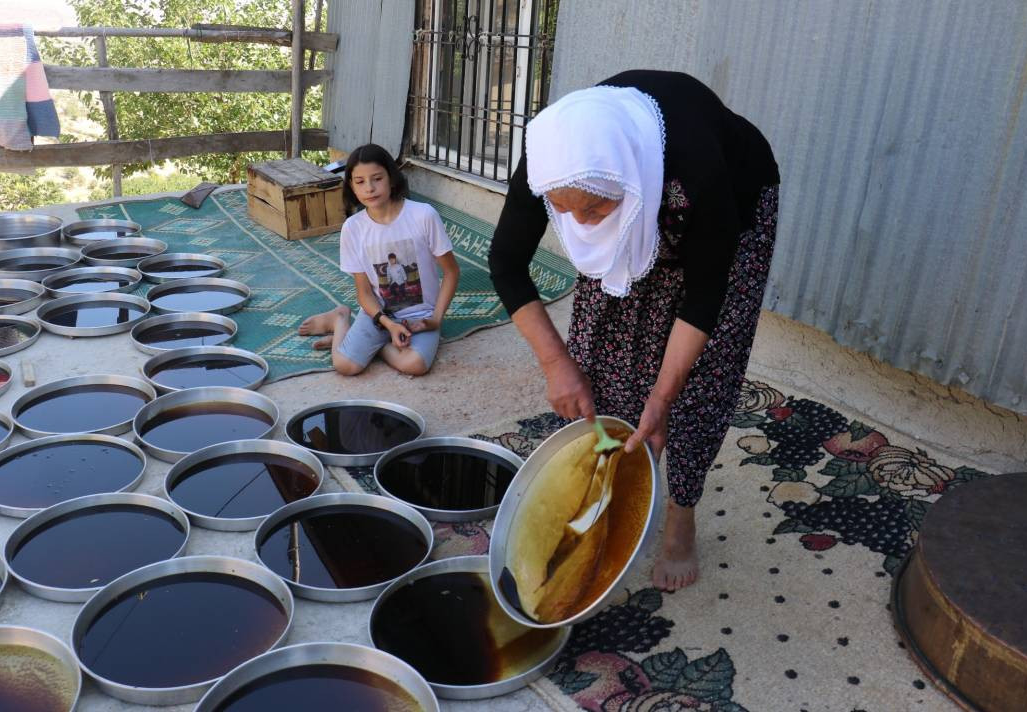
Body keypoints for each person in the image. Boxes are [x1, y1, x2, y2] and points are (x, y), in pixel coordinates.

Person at [488, 70, 780, 592]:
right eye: (565, 212)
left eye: (595, 211)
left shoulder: (700, 170)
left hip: (732, 202)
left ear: (621, 185)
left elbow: (705, 297)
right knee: (599, 358)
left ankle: (682, 512)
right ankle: (609, 487)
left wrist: (663, 396)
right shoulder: (556, 158)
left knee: (699, 381)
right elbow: (506, 263)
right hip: (634, 190)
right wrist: (558, 365)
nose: (581, 224)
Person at [299, 143, 460, 376]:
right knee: (346, 366)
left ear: (392, 178)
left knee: (415, 365)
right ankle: (340, 319)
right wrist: (389, 324)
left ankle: (372, 347)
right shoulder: (353, 228)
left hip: (421, 317)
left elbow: (452, 272)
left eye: (377, 178)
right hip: (379, 316)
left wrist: (435, 319)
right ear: (352, 187)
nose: (370, 188)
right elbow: (364, 293)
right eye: (360, 181)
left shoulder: (423, 215)